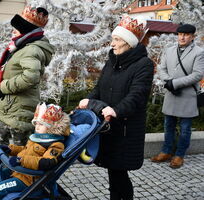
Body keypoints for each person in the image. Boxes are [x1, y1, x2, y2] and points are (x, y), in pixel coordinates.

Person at [78, 15, 154, 200]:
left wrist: (116, 110)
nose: (112, 43)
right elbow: (99, 88)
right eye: (113, 39)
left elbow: (137, 95)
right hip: (108, 126)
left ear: (128, 43)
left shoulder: (144, 65)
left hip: (126, 129)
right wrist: (86, 102)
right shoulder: (112, 61)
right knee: (113, 172)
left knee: (119, 172)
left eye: (117, 39)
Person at [0, 6, 55, 146]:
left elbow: (30, 78)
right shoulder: (20, 47)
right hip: (9, 109)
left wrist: (3, 86)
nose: (12, 32)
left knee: (19, 156)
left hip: (19, 112)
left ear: (24, 31)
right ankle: (5, 168)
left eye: (15, 29)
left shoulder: (31, 50)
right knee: (3, 151)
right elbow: (8, 70)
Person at [150, 24, 204, 168]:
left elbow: (197, 74)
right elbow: (162, 68)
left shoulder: (199, 52)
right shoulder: (169, 50)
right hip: (170, 93)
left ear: (193, 36)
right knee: (168, 125)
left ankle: (179, 155)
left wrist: (175, 83)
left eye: (186, 34)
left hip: (187, 96)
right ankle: (166, 151)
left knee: (185, 128)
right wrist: (168, 82)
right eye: (180, 34)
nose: (182, 37)